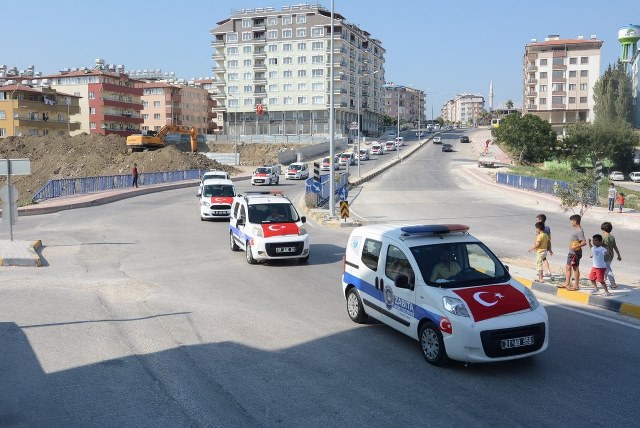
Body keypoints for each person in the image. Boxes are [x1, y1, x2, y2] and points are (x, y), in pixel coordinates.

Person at [563, 214, 587, 291]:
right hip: (572, 252)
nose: (571, 223)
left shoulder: (580, 231)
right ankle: (567, 283)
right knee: (569, 267)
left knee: (574, 268)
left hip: (574, 253)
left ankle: (576, 285)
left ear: (575, 221)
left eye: (571, 221)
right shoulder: (576, 230)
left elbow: (584, 242)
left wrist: (575, 247)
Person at [600, 222, 621, 289]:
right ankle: (603, 280)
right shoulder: (612, 237)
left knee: (608, 269)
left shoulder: (603, 238)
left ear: (603, 229)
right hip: (611, 255)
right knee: (605, 268)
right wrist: (619, 255)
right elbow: (615, 247)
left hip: (605, 255)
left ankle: (613, 283)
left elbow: (601, 248)